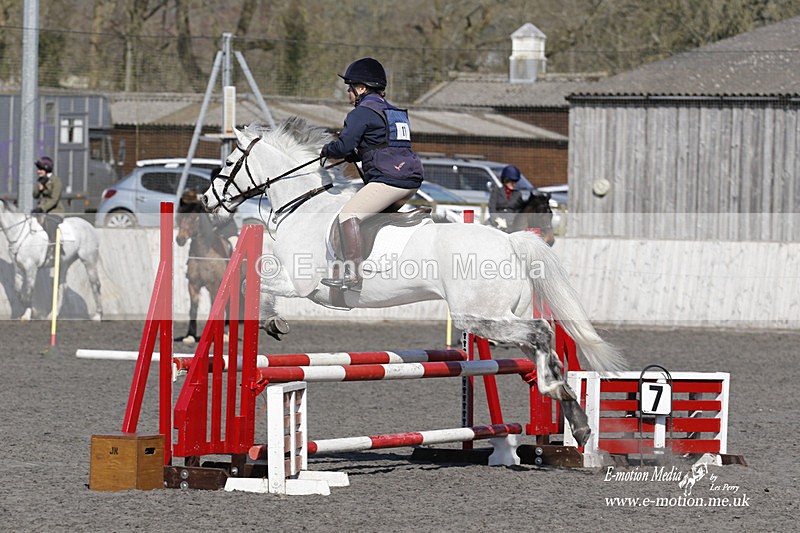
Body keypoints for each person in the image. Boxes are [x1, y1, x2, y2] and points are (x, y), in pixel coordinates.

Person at [319, 57, 424, 290]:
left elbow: (343, 146)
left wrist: (326, 149)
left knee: (348, 216)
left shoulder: (361, 112)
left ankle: (353, 275)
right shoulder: (394, 112)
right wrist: (359, 153)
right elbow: (383, 145)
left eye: (350, 87)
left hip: (390, 181)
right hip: (412, 180)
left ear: (361, 88)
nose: (348, 92)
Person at [32, 156, 64, 266]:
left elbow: (54, 199)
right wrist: (39, 188)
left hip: (54, 211)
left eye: (40, 169)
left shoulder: (56, 181)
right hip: (41, 211)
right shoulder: (40, 180)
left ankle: (55, 251)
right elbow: (35, 195)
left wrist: (42, 208)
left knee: (50, 224)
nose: (38, 171)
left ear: (46, 169)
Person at [488, 165, 529, 232]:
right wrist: (497, 219)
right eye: (511, 181)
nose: (513, 184)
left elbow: (518, 210)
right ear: (505, 180)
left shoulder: (518, 194)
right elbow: (492, 208)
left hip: (511, 223)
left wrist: (514, 222)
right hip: (496, 221)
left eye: (515, 182)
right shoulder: (496, 191)